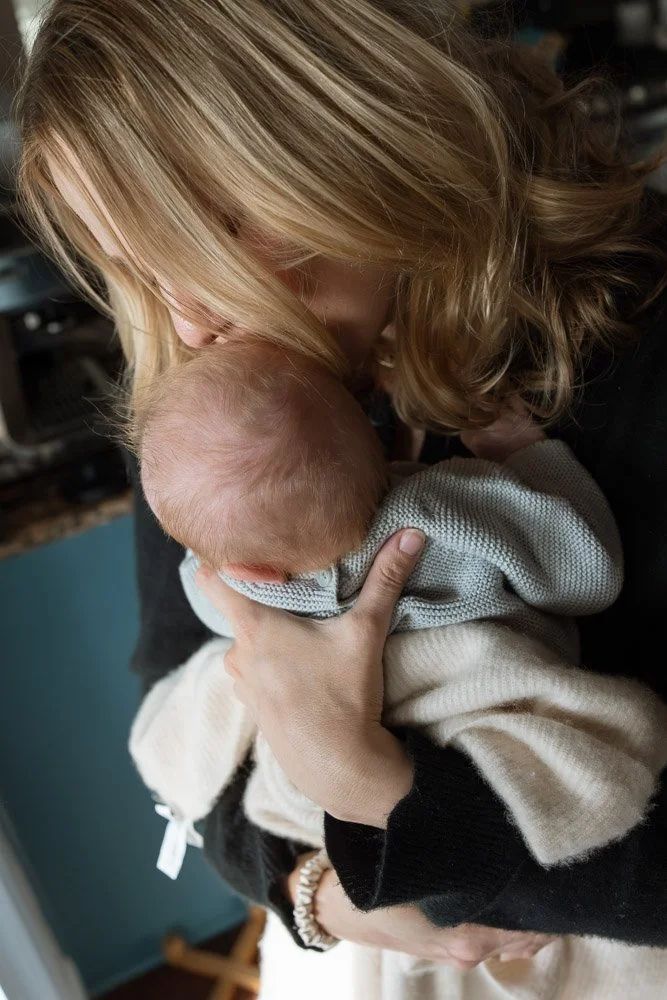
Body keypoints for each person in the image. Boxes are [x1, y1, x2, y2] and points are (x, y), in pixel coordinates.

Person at [15, 0, 667, 997]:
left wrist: (383, 796)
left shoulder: (636, 334)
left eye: (217, 231)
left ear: (351, 122)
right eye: (144, 270)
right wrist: (317, 886)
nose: (188, 322)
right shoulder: (218, 411)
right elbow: (186, 719)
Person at [131, 336, 665, 889]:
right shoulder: (450, 511)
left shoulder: (236, 591)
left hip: (337, 801)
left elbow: (205, 600)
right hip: (476, 716)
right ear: (370, 434)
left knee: (214, 683)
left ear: (248, 571)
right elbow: (585, 577)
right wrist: (523, 455)